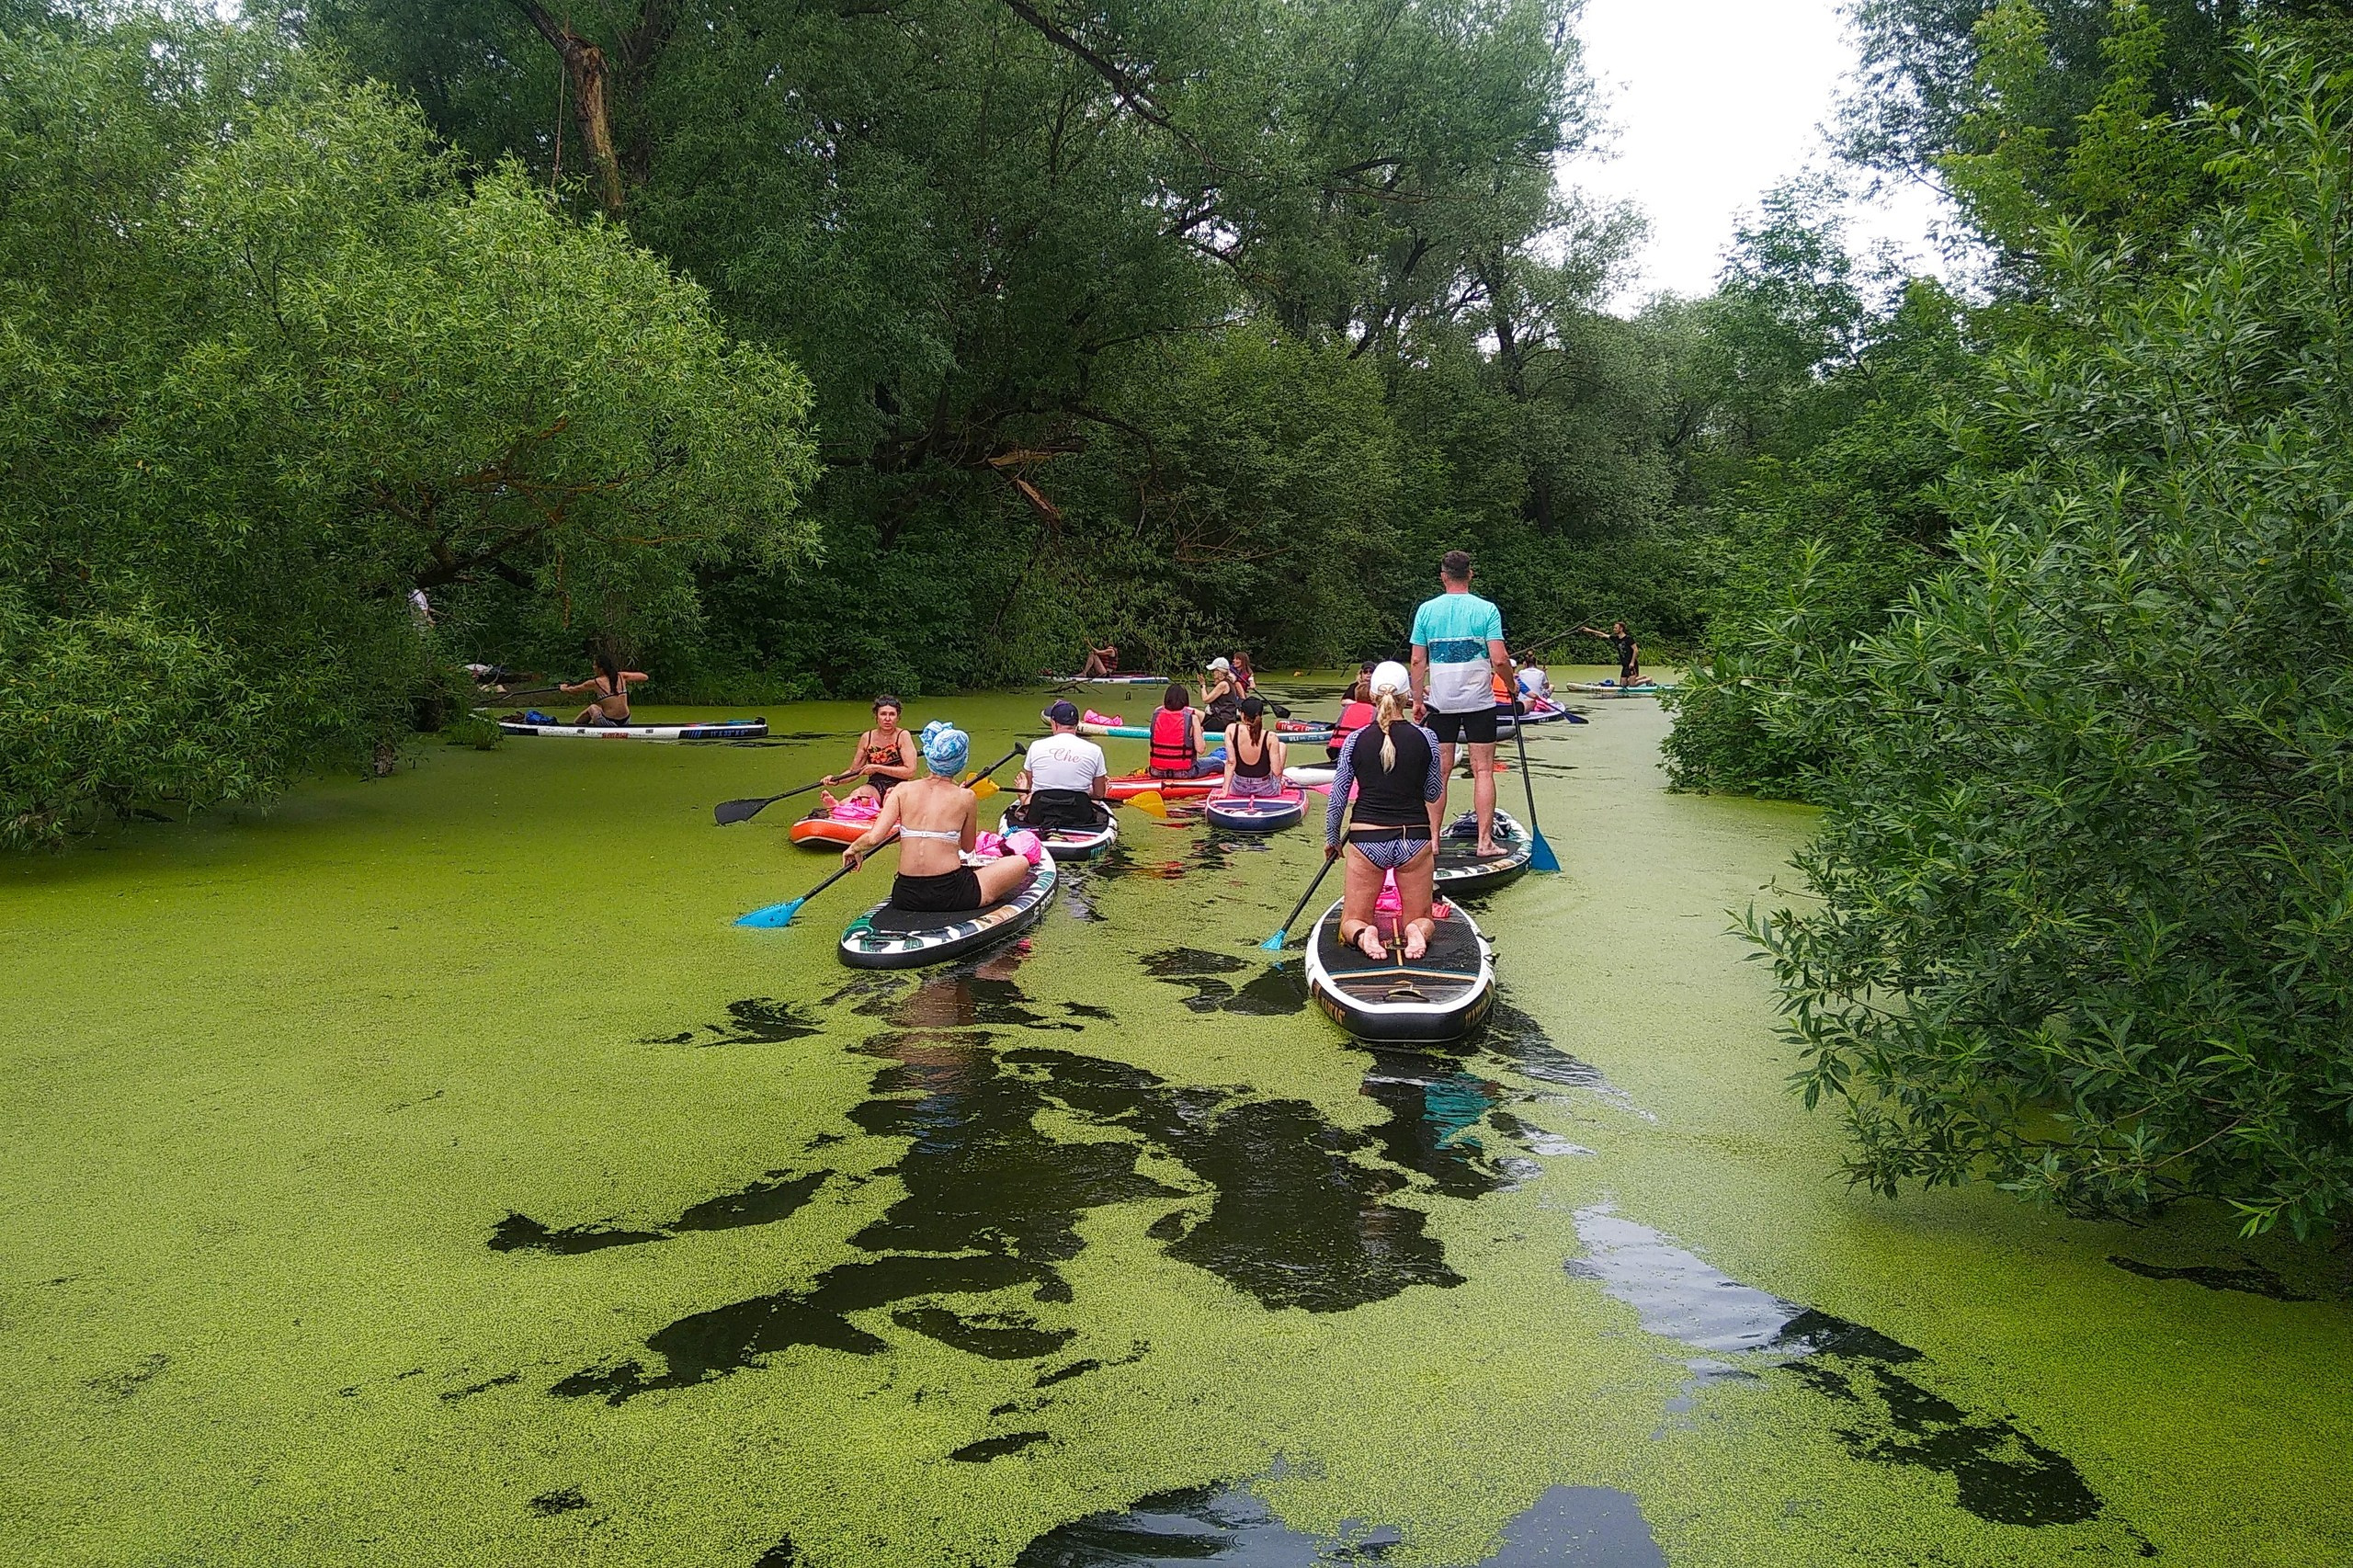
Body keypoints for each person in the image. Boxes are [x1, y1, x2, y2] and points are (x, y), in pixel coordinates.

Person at [842, 722, 1036, 913]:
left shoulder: (902, 789)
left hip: (904, 894)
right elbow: (967, 847)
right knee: (1020, 862)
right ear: (960, 761)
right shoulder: (966, 797)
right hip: (949, 893)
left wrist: (853, 849)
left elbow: (873, 838)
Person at [1324, 661, 1443, 960]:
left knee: (1352, 921)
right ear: (1407, 698)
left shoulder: (1354, 740)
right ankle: (1415, 931)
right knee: (1422, 918)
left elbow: (1338, 797)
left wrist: (1332, 838)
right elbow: (1433, 793)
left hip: (1366, 840)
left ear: (1373, 697)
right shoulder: (1427, 738)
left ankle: (1365, 934)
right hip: (1413, 839)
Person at [1409, 550, 1512, 858]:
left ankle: (1432, 842)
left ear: (1443, 576)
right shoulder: (1486, 610)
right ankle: (1484, 842)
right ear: (1470, 574)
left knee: (1439, 772)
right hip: (1480, 702)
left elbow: (1417, 660)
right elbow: (1499, 658)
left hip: (1440, 703)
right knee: (1483, 771)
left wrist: (1417, 701)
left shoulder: (1426, 611)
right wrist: (1511, 685)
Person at [1014, 700, 1108, 828]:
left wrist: (1023, 793)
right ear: (1077, 723)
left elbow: (1033, 788)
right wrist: (1088, 790)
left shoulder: (1035, 746)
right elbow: (1099, 794)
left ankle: (1022, 797)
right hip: (1079, 815)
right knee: (1095, 801)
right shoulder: (1095, 750)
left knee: (1030, 797)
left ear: (1053, 723)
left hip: (1040, 814)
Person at [824, 696, 918, 805]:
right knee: (859, 794)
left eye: (892, 714)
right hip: (874, 785)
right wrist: (836, 780)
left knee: (891, 799)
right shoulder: (867, 737)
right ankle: (838, 806)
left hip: (899, 785)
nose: (887, 719)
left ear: (898, 717)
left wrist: (877, 768)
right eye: (883, 714)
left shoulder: (903, 736)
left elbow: (910, 771)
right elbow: (854, 771)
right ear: (876, 716)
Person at [1220, 697, 1289, 798]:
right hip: (1266, 790)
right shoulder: (1270, 737)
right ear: (1261, 716)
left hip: (1238, 789)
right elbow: (1276, 771)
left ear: (1242, 715)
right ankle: (1278, 784)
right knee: (1282, 746)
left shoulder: (1231, 729)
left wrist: (1225, 791)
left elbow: (1231, 762)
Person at [1146, 683, 1218, 778]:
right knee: (1216, 762)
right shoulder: (1192, 718)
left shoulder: (1157, 713)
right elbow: (1201, 749)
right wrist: (1199, 732)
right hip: (1185, 772)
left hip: (1156, 771)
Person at [562, 653, 647, 727]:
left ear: (601, 669)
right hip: (626, 720)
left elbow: (574, 690)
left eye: (594, 665)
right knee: (599, 708)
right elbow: (644, 677)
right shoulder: (621, 676)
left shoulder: (595, 683)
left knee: (592, 707)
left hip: (608, 722)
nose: (593, 667)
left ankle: (575, 725)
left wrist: (564, 688)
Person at [1325, 663, 1378, 762]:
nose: (1368, 674)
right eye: (1366, 672)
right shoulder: (1355, 687)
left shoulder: (1347, 710)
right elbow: (1344, 700)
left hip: (1337, 748)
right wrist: (1358, 703)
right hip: (1357, 749)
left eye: (1371, 672)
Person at [1576, 620, 1641, 686]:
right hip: (1625, 665)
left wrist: (1632, 662)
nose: (1614, 629)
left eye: (1616, 628)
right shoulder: (1615, 638)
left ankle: (1648, 680)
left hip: (1631, 664)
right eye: (1614, 628)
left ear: (1621, 629)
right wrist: (1589, 630)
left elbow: (1635, 650)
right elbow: (1602, 634)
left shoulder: (1628, 638)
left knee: (1632, 685)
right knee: (1623, 685)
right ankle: (1642, 678)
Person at [1198, 657, 1242, 733]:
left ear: (1219, 672)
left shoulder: (1223, 684)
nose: (1212, 673)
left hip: (1222, 721)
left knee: (1192, 712)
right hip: (1225, 720)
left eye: (1214, 671)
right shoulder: (1229, 683)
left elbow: (1206, 699)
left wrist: (1203, 684)